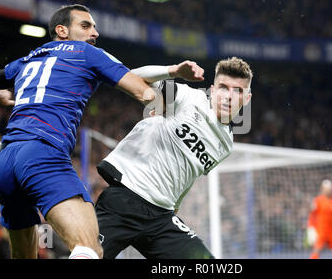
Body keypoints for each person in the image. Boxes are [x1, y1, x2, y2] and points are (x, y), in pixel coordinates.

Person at [0, 4, 191, 259]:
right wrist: (162, 105)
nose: (94, 33)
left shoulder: (28, 59)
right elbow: (142, 90)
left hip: (5, 163)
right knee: (89, 248)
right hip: (42, 154)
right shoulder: (88, 53)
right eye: (85, 26)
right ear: (62, 30)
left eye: (95, 27)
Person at [94, 57, 253, 259]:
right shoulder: (189, 98)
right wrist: (173, 70)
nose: (229, 96)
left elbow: (189, 175)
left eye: (238, 90)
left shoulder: (225, 145)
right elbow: (131, 76)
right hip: (124, 200)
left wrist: (176, 206)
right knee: (88, 254)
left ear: (246, 98)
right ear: (212, 90)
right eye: (223, 87)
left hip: (161, 219)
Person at [307, 179, 332, 259]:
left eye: (330, 189)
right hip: (321, 230)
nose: (329, 191)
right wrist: (310, 228)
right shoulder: (318, 200)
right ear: (323, 190)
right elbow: (312, 215)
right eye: (327, 189)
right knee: (317, 249)